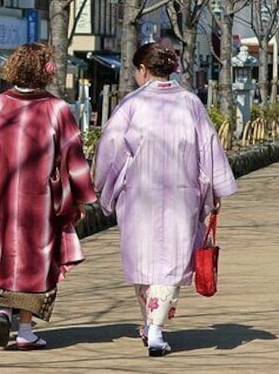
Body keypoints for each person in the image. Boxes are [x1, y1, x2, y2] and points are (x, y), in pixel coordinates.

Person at [92, 43, 238, 357]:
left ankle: (153, 325)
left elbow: (110, 149)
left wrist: (101, 184)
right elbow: (208, 148)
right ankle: (154, 326)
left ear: (143, 69)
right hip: (181, 194)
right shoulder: (190, 103)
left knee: (143, 261)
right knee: (171, 261)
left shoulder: (132, 104)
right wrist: (214, 190)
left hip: (138, 195)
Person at [0, 43, 96, 350]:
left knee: (8, 253)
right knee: (36, 259)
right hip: (41, 198)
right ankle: (24, 329)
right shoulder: (57, 109)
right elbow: (73, 157)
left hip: (2, 197)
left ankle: (3, 309)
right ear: (43, 71)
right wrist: (83, 196)